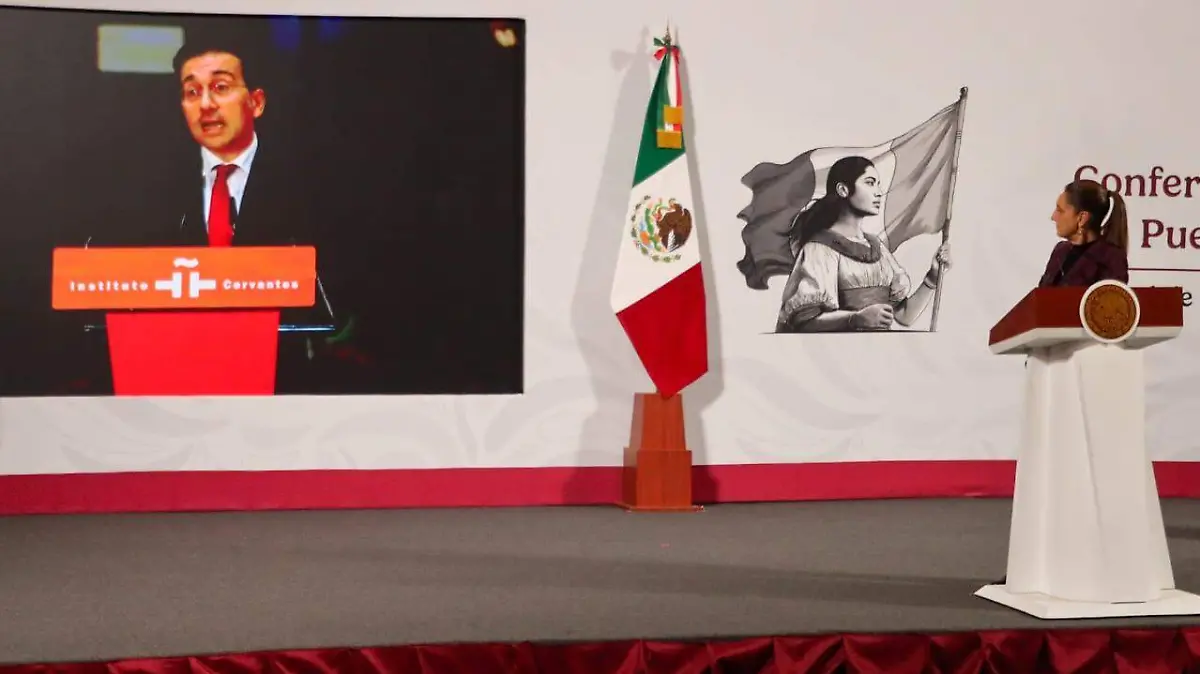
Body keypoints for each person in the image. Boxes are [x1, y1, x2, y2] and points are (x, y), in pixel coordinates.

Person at [775, 156, 950, 332]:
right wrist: (855, 319)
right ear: (843, 190)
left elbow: (904, 316)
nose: (879, 192)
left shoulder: (877, 247)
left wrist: (932, 278)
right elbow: (805, 323)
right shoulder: (819, 249)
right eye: (870, 182)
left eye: (878, 183)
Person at [1037, 178, 1129, 287]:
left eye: (1060, 210)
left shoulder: (1112, 258)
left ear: (1082, 218)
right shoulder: (1060, 250)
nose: (1054, 217)